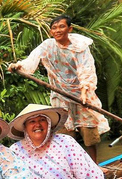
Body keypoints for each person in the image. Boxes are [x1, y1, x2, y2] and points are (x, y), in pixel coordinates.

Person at [8, 15, 109, 162]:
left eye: (61, 26)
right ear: (50, 32)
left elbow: (85, 69)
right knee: (65, 134)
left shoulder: (79, 46)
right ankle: (71, 167)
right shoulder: (47, 46)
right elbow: (32, 60)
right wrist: (18, 66)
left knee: (89, 133)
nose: (58, 30)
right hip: (60, 94)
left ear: (69, 29)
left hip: (81, 94)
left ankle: (95, 165)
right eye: (54, 28)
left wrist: (84, 94)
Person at [9, 104, 107, 179]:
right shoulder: (15, 150)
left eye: (42, 120)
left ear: (49, 124)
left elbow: (91, 175)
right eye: (32, 121)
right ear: (25, 127)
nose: (37, 125)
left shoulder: (65, 142)